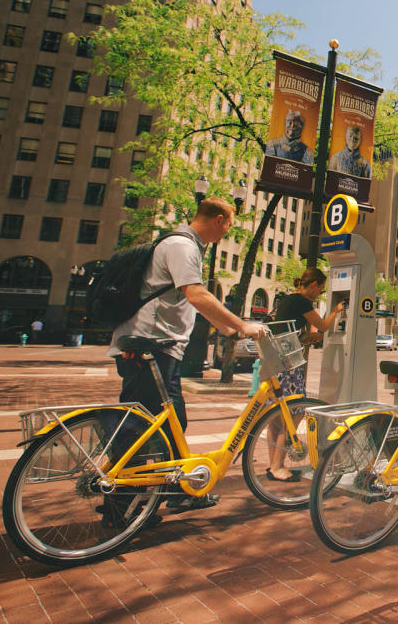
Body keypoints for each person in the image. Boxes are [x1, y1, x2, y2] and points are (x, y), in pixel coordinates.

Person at [107, 197, 265, 518]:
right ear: (219, 219)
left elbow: (192, 303)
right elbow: (197, 294)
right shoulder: (182, 245)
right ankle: (121, 507)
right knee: (140, 429)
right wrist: (241, 325)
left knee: (171, 425)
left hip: (160, 348)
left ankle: (179, 491)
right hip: (152, 347)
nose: (226, 234)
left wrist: (227, 330)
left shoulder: (182, 245)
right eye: (228, 226)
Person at [265, 267, 345, 482]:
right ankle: (278, 467)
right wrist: (336, 311)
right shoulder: (302, 302)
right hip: (288, 364)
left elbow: (290, 330)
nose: (319, 293)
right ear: (312, 284)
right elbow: (323, 326)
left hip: (275, 360)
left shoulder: (287, 300)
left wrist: (307, 337)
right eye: (320, 289)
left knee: (275, 416)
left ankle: (272, 464)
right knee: (294, 413)